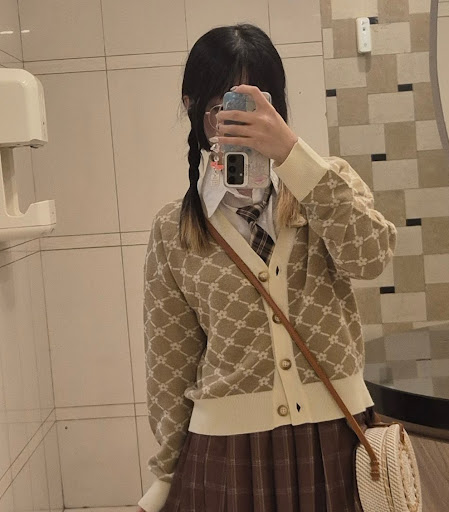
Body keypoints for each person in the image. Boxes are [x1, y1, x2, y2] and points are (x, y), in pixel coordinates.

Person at [137, 23, 397, 512]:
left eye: (257, 107)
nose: (242, 123)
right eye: (224, 107)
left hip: (337, 439)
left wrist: (294, 155)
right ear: (194, 109)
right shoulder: (175, 229)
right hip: (227, 454)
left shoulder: (326, 186)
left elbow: (372, 257)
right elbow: (169, 366)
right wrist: (166, 474)